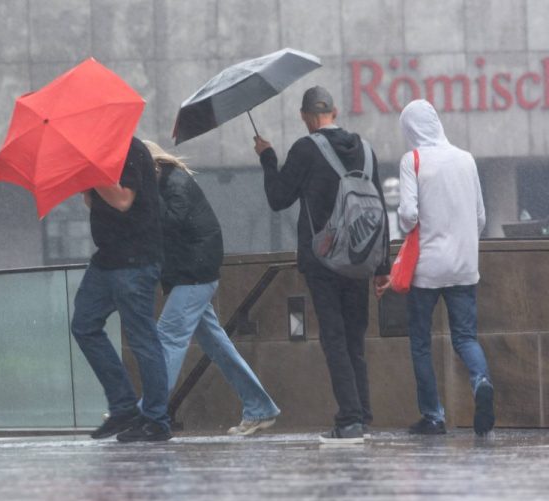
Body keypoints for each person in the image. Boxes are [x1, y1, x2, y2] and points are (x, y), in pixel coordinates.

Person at [253, 85, 390, 444]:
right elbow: (379, 210)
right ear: (336, 111)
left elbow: (278, 198)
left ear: (304, 116)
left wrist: (268, 158)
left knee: (334, 338)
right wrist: (382, 267)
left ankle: (350, 419)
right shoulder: (366, 149)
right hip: (361, 259)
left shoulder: (305, 149)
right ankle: (362, 412)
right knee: (354, 337)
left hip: (324, 260)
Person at [143, 140, 281, 436]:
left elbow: (170, 223)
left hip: (195, 275)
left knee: (167, 338)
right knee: (218, 346)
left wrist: (143, 198)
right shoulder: (165, 185)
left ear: (153, 166)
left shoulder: (175, 185)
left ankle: (150, 412)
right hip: (191, 274)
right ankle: (260, 406)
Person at [395, 99, 494, 436]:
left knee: (421, 342)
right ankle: (481, 380)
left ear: (410, 129)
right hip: (465, 266)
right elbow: (480, 216)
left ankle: (434, 417)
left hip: (426, 269)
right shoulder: (466, 160)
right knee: (466, 337)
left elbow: (408, 215)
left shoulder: (413, 161)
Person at [71, 137, 172, 442]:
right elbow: (94, 201)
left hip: (136, 258)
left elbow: (122, 199)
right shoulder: (97, 150)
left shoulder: (129, 149)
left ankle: (156, 420)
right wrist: (85, 180)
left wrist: (91, 171)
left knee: (141, 337)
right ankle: (124, 407)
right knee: (84, 324)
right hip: (107, 258)